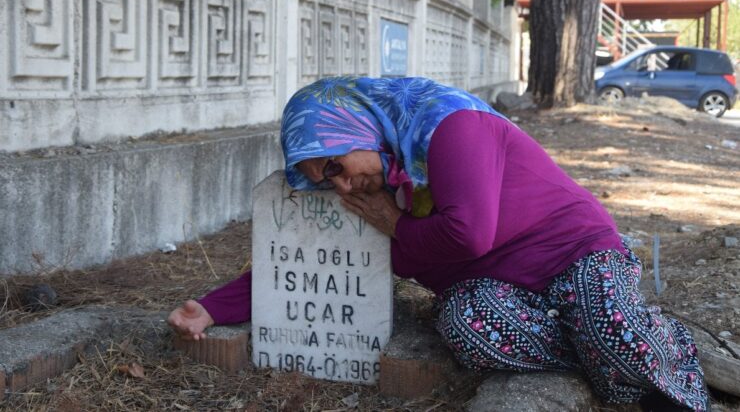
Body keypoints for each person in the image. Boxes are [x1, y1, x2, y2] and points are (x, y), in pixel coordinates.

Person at [169, 77, 707, 411]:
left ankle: (665, 356)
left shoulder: (451, 125)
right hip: (489, 288)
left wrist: (396, 226)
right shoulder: (370, 181)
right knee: (466, 330)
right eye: (321, 179)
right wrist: (212, 309)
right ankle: (618, 352)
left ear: (355, 128)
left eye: (334, 166)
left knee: (604, 316)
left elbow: (469, 234)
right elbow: (309, 260)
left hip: (573, 251)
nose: (338, 185)